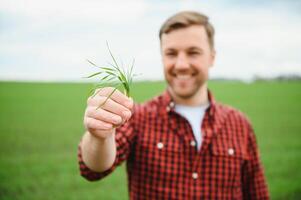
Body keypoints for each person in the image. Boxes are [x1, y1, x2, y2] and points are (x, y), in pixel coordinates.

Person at [78, 11, 269, 199]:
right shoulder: (137, 116)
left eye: (193, 52)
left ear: (212, 57)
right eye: (171, 53)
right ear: (162, 57)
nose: (181, 64)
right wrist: (100, 136)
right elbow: (93, 169)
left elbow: (257, 193)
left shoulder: (239, 124)